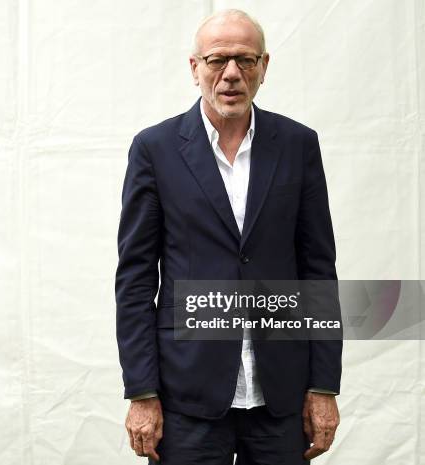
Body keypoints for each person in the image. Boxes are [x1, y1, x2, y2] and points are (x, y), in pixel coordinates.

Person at [115, 9, 342, 465]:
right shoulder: (154, 150)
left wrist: (323, 386)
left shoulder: (298, 145)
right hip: (187, 399)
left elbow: (318, 270)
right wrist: (142, 391)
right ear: (194, 67)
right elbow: (136, 279)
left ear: (264, 66)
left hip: (282, 395)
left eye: (246, 60)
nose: (232, 74)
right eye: (218, 59)